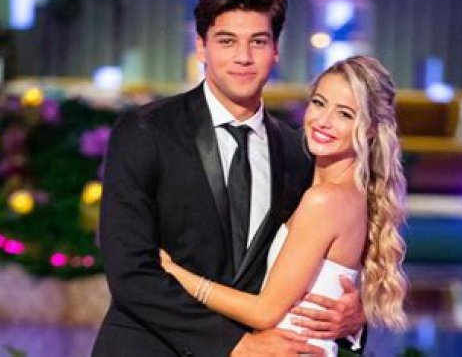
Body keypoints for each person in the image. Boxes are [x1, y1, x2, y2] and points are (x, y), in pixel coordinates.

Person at [92, 0, 364, 356]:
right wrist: (236, 345)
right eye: (226, 41)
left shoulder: (299, 153)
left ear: (275, 50)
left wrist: (354, 319)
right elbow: (130, 270)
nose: (243, 57)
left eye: (258, 41)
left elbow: (326, 265)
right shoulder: (145, 131)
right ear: (201, 46)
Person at [160, 55, 409, 356]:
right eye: (319, 103)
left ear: (370, 129)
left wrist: (173, 272)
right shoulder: (337, 189)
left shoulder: (325, 201)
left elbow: (265, 311)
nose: (323, 121)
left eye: (345, 114)